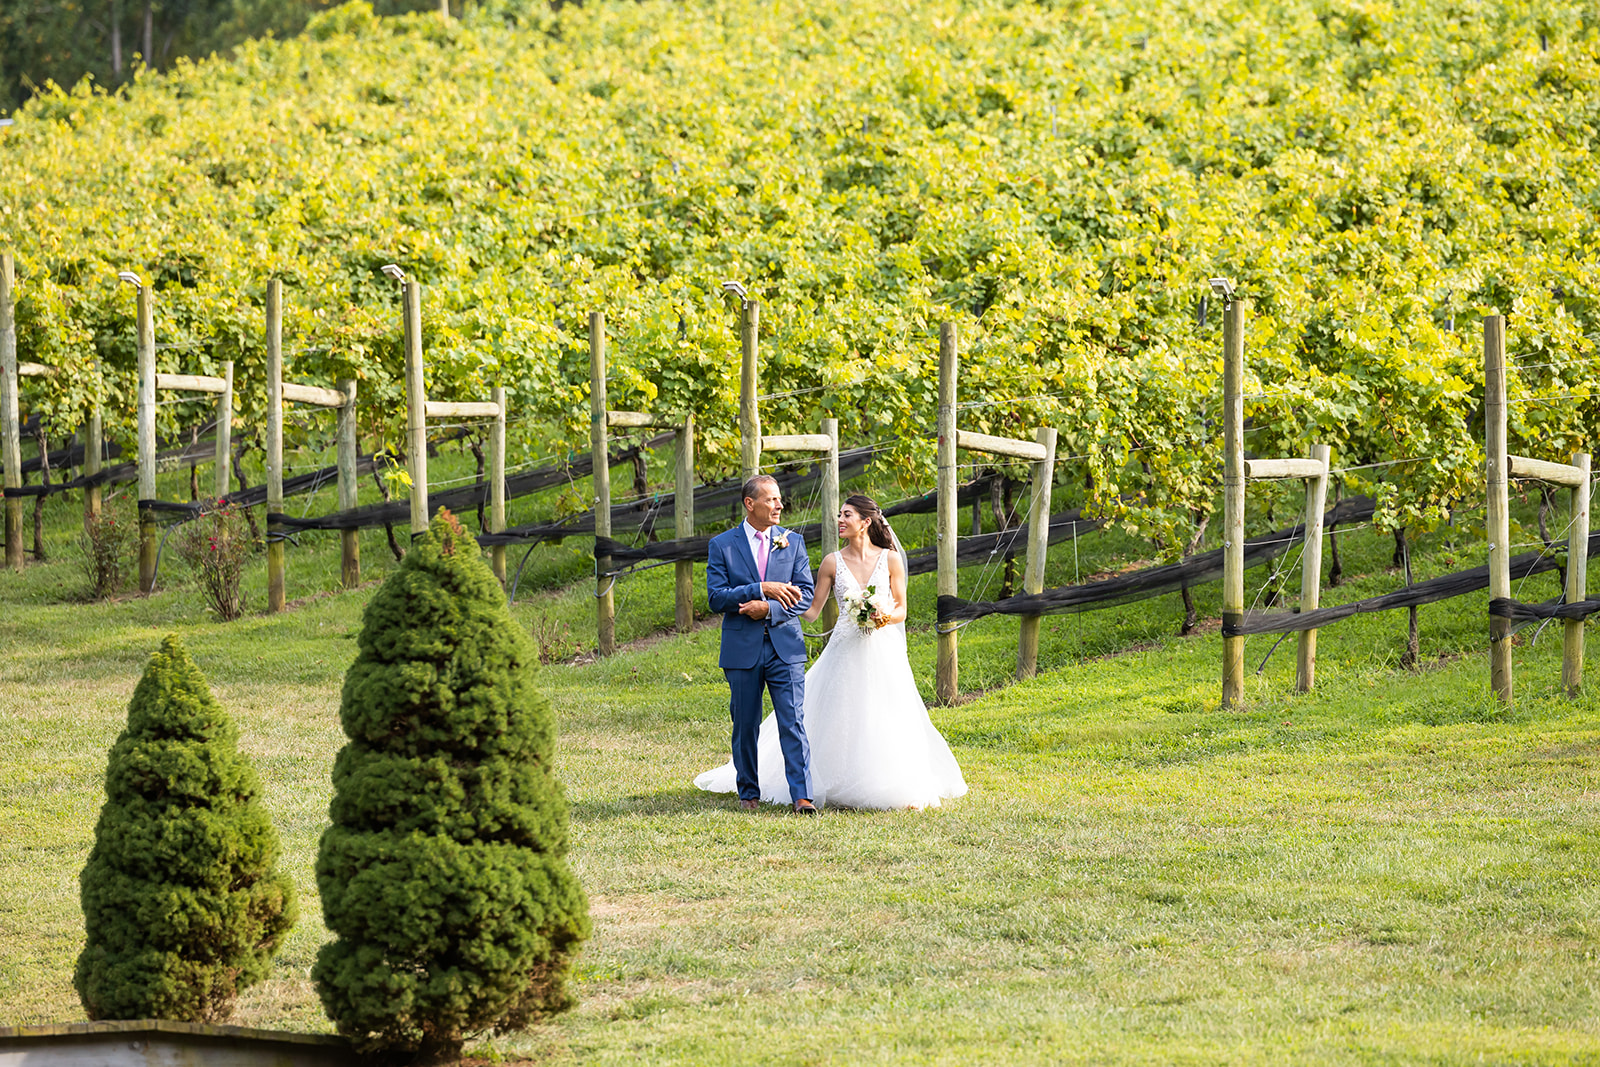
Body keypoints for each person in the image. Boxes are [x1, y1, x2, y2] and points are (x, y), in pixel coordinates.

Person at [697, 493, 967, 810]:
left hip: (882, 646)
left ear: (866, 522)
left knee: (887, 712)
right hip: (844, 644)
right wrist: (772, 608)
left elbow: (901, 609)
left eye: (847, 515)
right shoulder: (831, 561)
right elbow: (811, 610)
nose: (840, 520)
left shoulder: (891, 559)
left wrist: (883, 616)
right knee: (839, 712)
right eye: (839, 514)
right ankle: (820, 783)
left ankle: (898, 785)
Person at [704, 475, 818, 814]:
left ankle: (802, 796)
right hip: (742, 650)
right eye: (771, 500)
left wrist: (769, 608)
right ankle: (748, 794)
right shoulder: (722, 545)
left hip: (786, 646)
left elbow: (806, 595)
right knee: (745, 724)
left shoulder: (793, 542)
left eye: (779, 499)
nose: (779, 505)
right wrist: (759, 588)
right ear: (749, 504)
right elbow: (715, 597)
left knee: (793, 722)